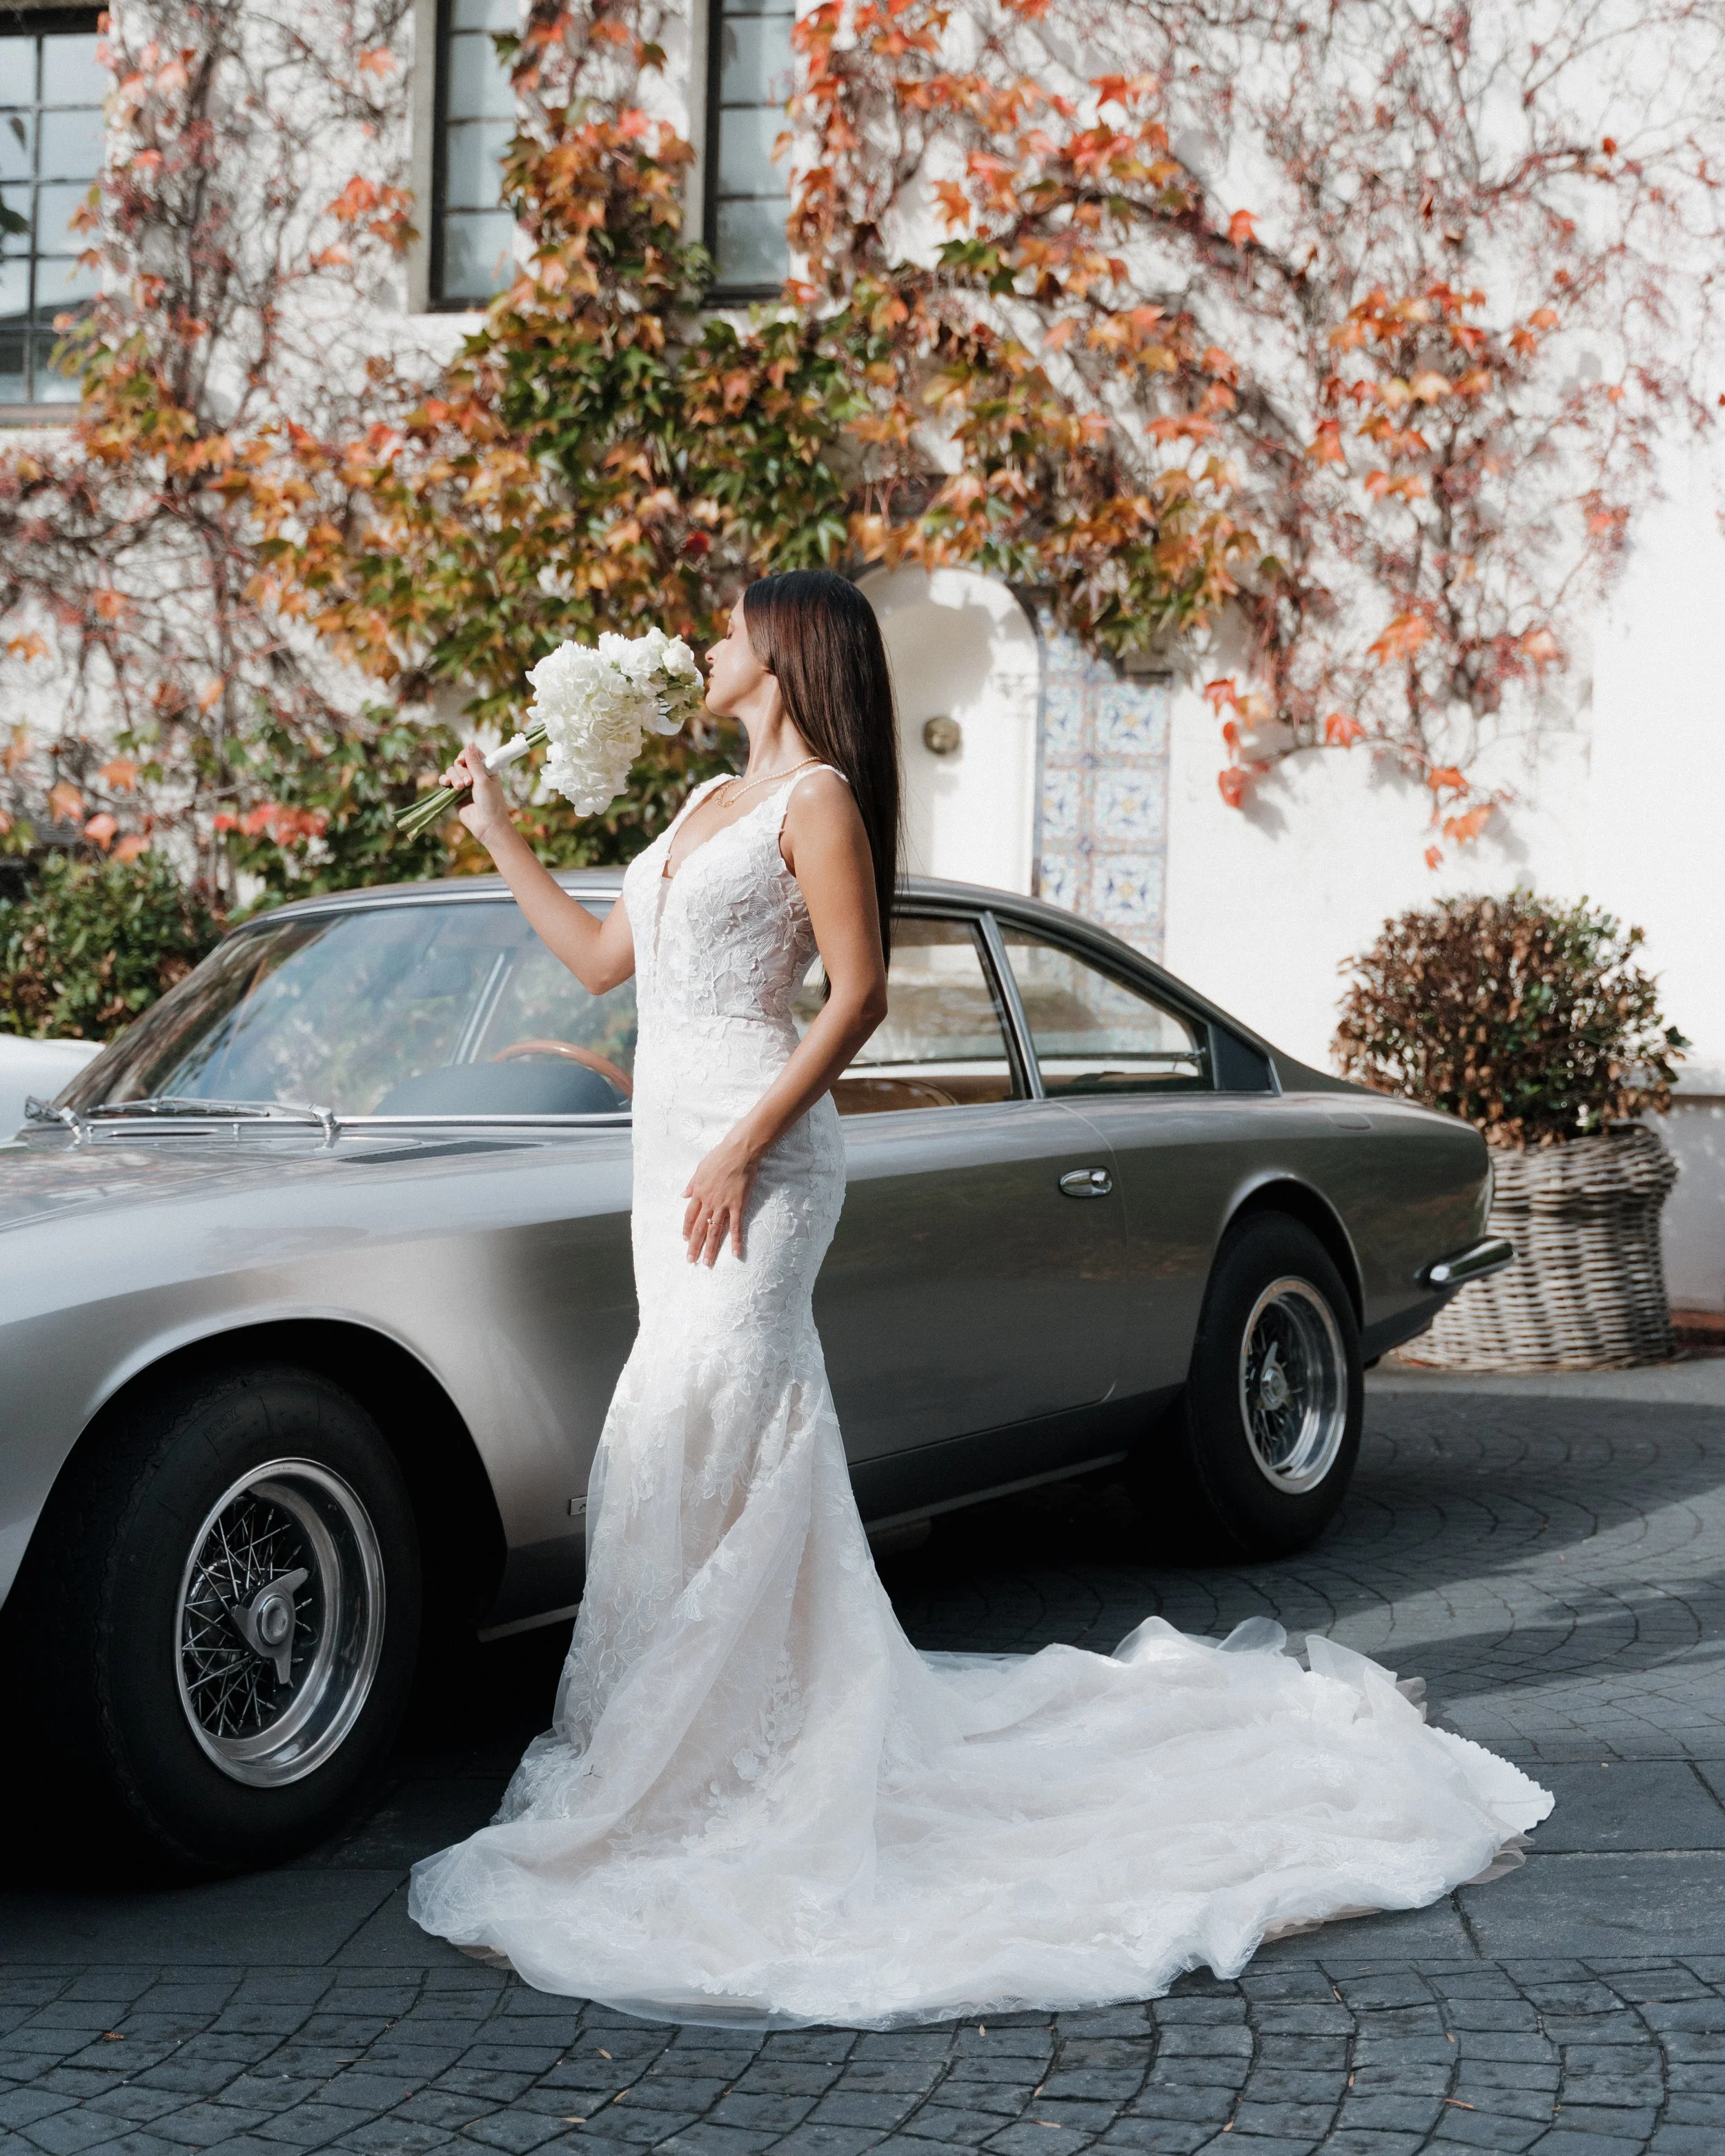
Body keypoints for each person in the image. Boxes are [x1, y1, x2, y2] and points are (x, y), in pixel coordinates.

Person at [408, 569, 1550, 2029]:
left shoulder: (816, 797)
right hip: (666, 1166)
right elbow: (593, 958)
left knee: (708, 1412)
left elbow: (859, 995)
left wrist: (743, 1143)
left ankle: (724, 1755)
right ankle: (689, 1741)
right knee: (687, 1430)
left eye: (721, 628)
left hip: (755, 1166)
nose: (699, 646)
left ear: (779, 651)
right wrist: (497, 821)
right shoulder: (701, 797)